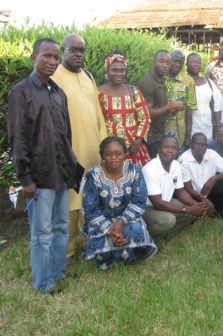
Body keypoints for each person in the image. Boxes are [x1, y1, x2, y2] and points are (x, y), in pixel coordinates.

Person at [7, 38, 78, 294]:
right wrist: (25, 178)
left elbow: (66, 136)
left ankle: (58, 273)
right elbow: (17, 137)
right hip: (39, 176)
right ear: (34, 58)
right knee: (42, 233)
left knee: (61, 227)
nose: (52, 61)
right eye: (46, 56)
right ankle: (43, 283)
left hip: (61, 174)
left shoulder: (59, 93)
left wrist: (70, 170)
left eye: (55, 57)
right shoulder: (21, 92)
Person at [51, 33, 107, 265]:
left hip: (93, 153)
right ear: (63, 50)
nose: (78, 54)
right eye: (73, 50)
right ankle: (67, 254)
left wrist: (104, 147)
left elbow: (98, 114)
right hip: (70, 155)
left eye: (81, 50)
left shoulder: (88, 77)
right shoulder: (54, 77)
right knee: (71, 207)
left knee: (91, 202)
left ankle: (92, 246)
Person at [82, 136, 157, 271]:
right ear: (102, 155)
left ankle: (128, 255)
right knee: (102, 246)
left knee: (135, 229)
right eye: (108, 154)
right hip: (101, 222)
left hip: (127, 218)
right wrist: (109, 229)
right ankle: (116, 254)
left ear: (124, 154)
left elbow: (140, 202)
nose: (113, 158)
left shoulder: (134, 170)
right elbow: (89, 210)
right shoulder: (93, 175)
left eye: (118, 153)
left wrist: (121, 222)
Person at [142, 135, 207, 242]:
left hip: (166, 201)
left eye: (174, 148)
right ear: (159, 149)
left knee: (193, 212)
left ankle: (164, 232)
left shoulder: (176, 165)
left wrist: (195, 205)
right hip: (147, 208)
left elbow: (180, 191)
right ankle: (146, 241)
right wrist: (188, 209)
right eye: (166, 147)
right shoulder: (150, 169)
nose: (170, 151)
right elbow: (157, 203)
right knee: (169, 220)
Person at [98, 50, 151, 166]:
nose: (118, 74)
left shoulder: (134, 91)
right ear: (107, 71)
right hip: (109, 151)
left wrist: (138, 141)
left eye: (122, 70)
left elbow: (145, 118)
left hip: (133, 149)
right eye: (114, 70)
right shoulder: (98, 93)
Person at [138, 50, 184, 159]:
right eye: (161, 61)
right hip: (151, 137)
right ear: (154, 61)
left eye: (168, 63)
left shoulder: (161, 79)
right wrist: (171, 106)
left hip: (159, 134)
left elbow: (158, 106)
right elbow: (146, 114)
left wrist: (170, 111)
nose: (165, 66)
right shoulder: (148, 83)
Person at [180, 132, 223, 218]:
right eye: (197, 144)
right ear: (191, 144)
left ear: (207, 146)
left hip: (209, 192)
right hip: (193, 196)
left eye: (203, 145)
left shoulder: (212, 154)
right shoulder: (183, 159)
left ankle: (221, 214)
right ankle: (205, 209)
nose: (200, 147)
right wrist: (203, 199)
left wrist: (213, 179)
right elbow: (188, 188)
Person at [165, 50, 197, 148]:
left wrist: (188, 136)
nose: (178, 64)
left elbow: (189, 109)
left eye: (181, 62)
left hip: (179, 133)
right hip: (160, 130)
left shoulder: (188, 81)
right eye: (175, 61)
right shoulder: (160, 78)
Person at [187, 53, 222, 142]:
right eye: (193, 62)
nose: (196, 64)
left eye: (198, 62)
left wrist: (218, 126)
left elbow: (217, 105)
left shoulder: (208, 83)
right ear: (186, 64)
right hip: (190, 130)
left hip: (207, 129)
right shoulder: (183, 82)